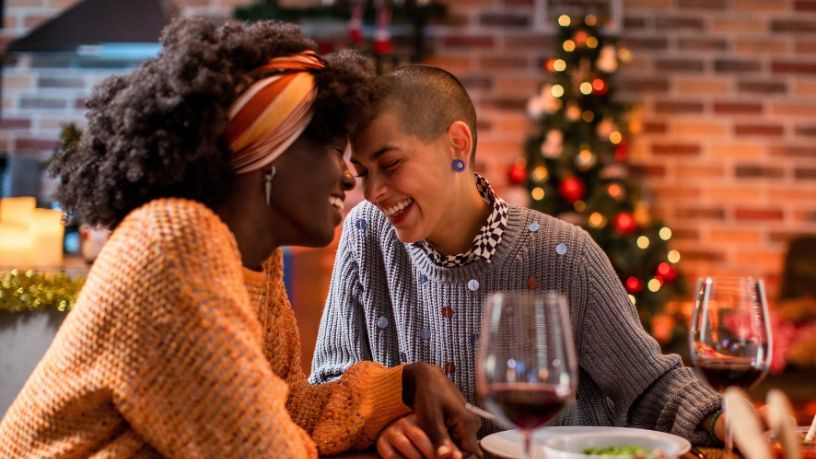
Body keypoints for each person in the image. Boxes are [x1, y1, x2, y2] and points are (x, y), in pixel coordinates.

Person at [0, 20, 480, 458]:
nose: (348, 180)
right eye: (336, 152)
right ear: (271, 149)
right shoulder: (172, 242)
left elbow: (281, 407)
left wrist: (407, 383)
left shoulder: (253, 260)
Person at [309, 64, 725, 458]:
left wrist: (727, 421)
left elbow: (651, 388)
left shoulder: (565, 254)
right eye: (363, 172)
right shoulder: (365, 234)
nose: (374, 191)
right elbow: (328, 386)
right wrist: (382, 423)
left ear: (458, 145)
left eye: (391, 164)